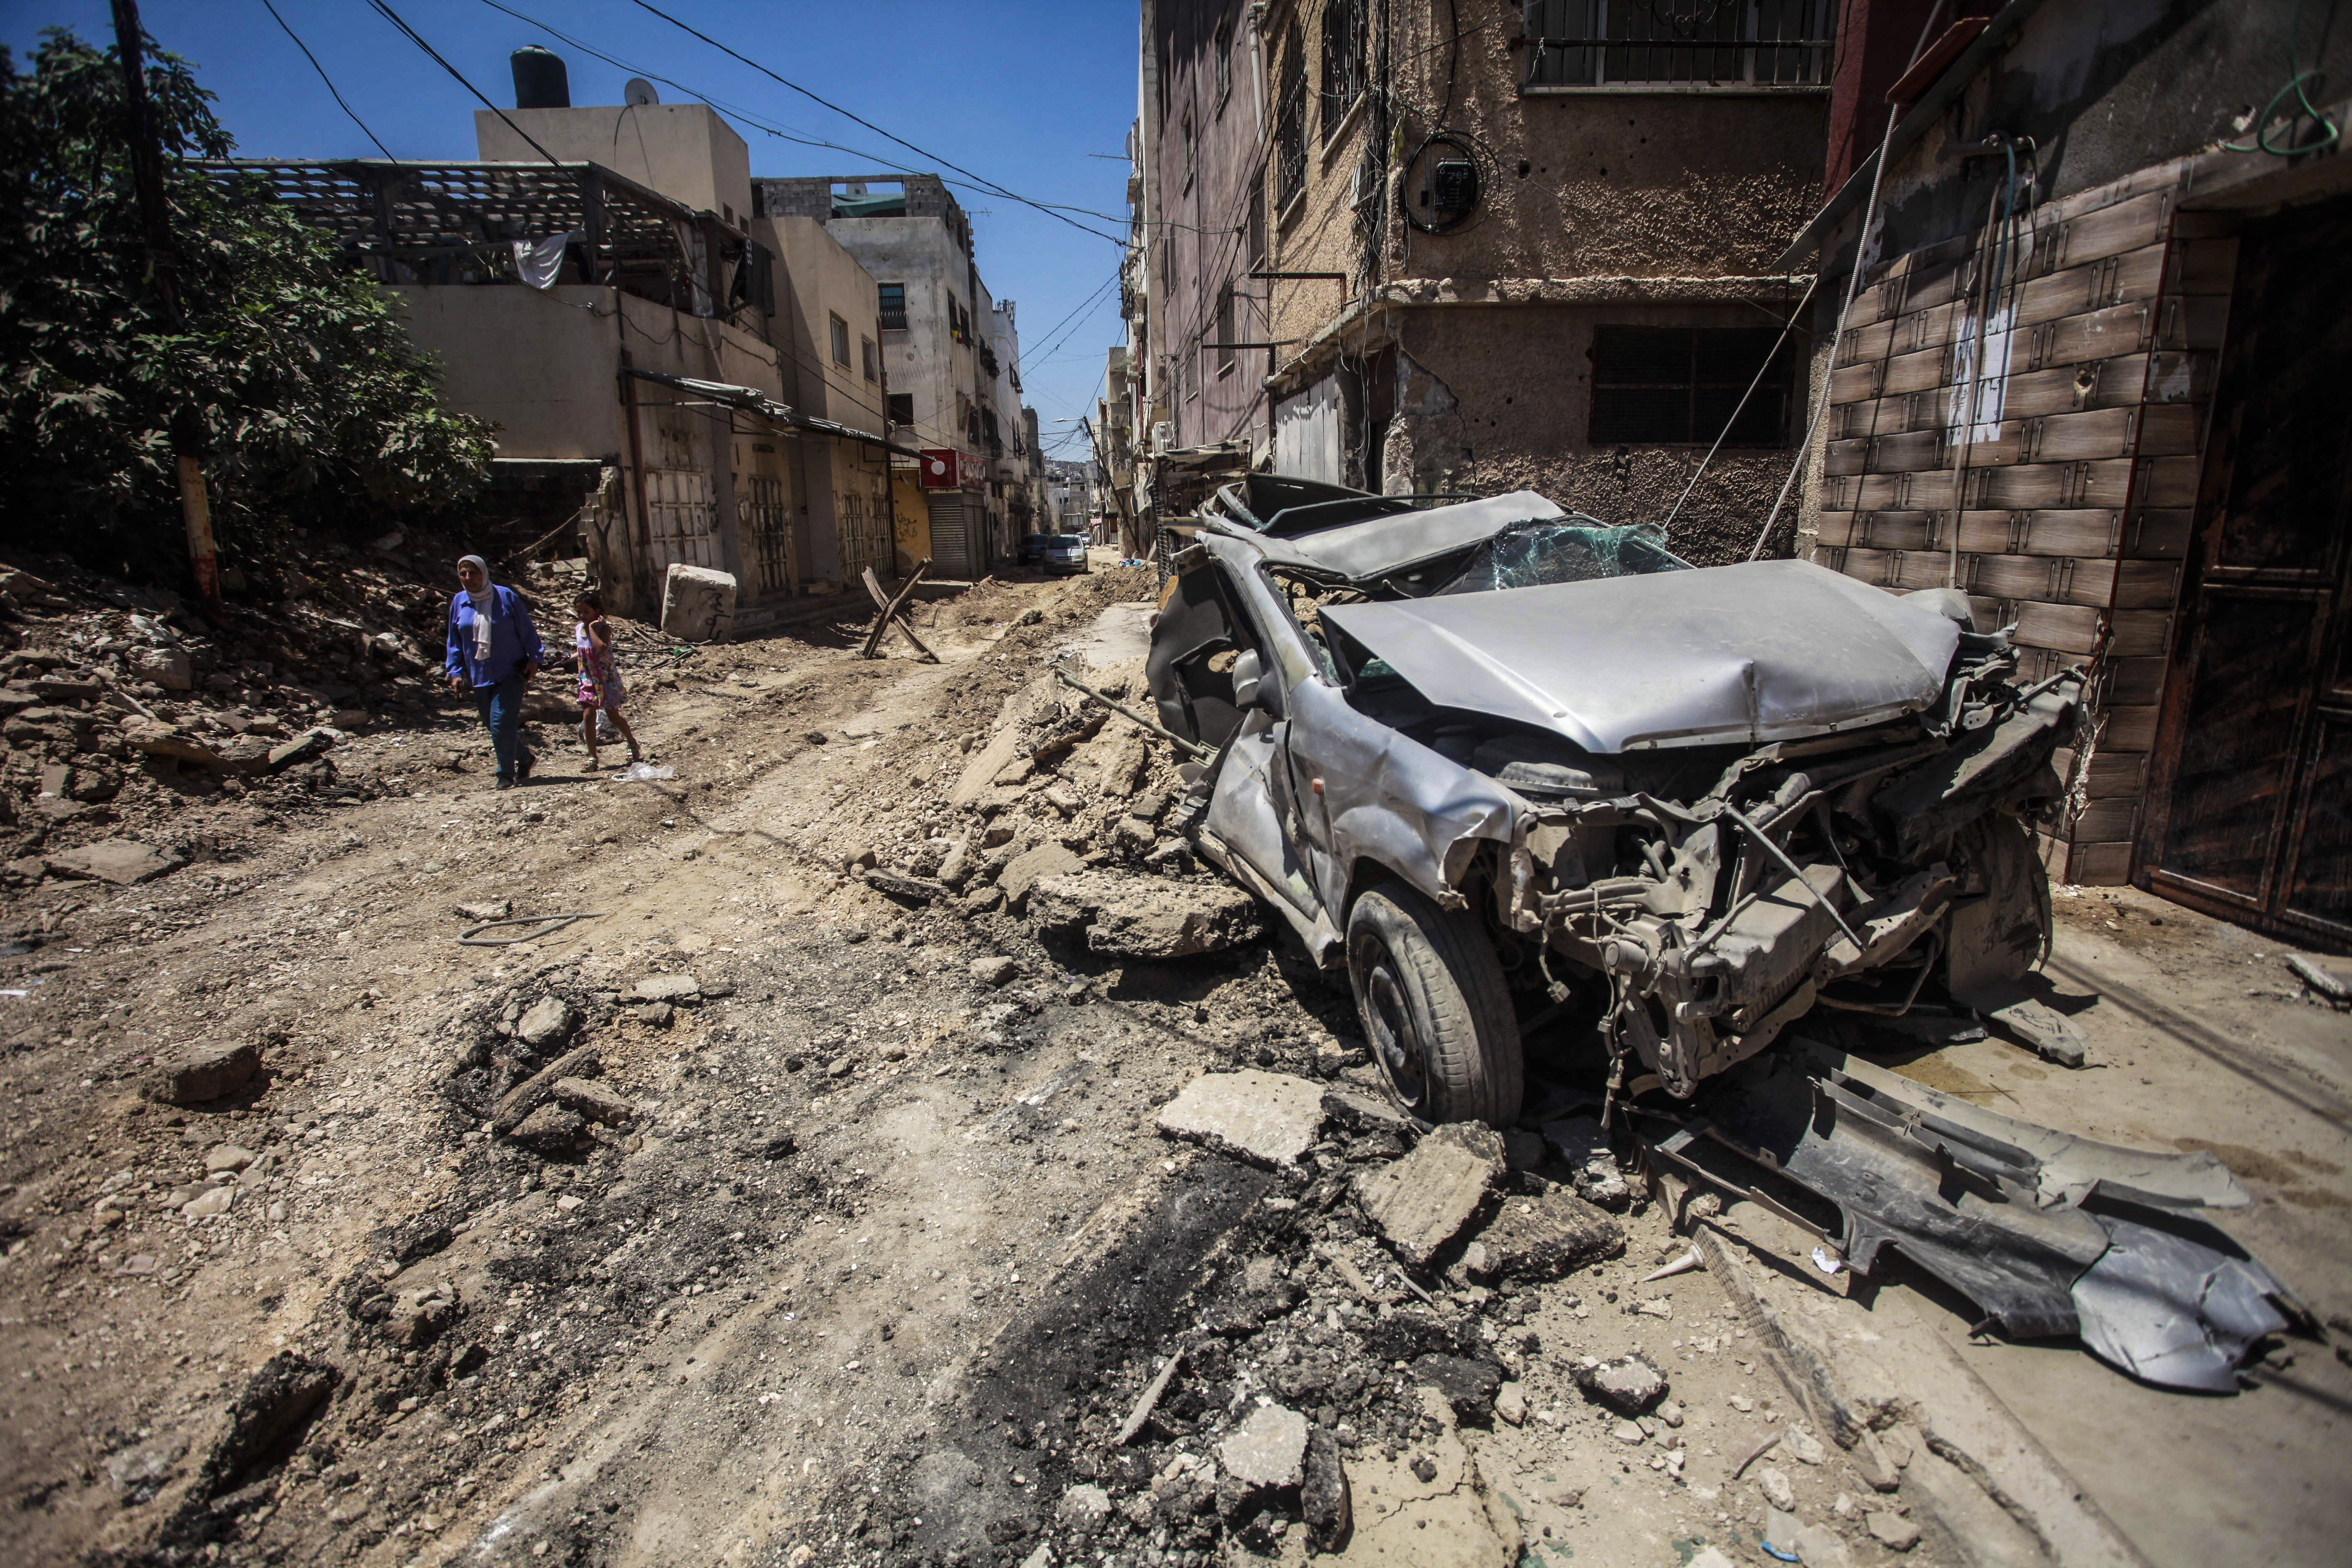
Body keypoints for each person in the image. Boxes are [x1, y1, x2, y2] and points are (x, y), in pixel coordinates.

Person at [444, 554, 547, 789]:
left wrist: (535, 658)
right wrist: (456, 672)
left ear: (484, 572)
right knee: (493, 725)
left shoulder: (505, 596)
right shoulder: (460, 602)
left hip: (511, 672)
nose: (468, 578)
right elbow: (454, 641)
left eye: (473, 572)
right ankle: (525, 758)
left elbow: (526, 629)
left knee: (501, 722)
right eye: (463, 573)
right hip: (479, 674)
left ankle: (505, 774)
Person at [571, 589, 642, 771]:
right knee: (588, 715)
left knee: (613, 716)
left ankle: (632, 742)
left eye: (586, 612)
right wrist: (564, 660)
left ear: (597, 612)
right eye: (579, 612)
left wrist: (593, 629)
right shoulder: (579, 629)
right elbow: (582, 651)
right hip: (588, 678)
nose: (582, 616)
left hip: (605, 678)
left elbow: (601, 648)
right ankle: (592, 757)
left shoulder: (603, 629)